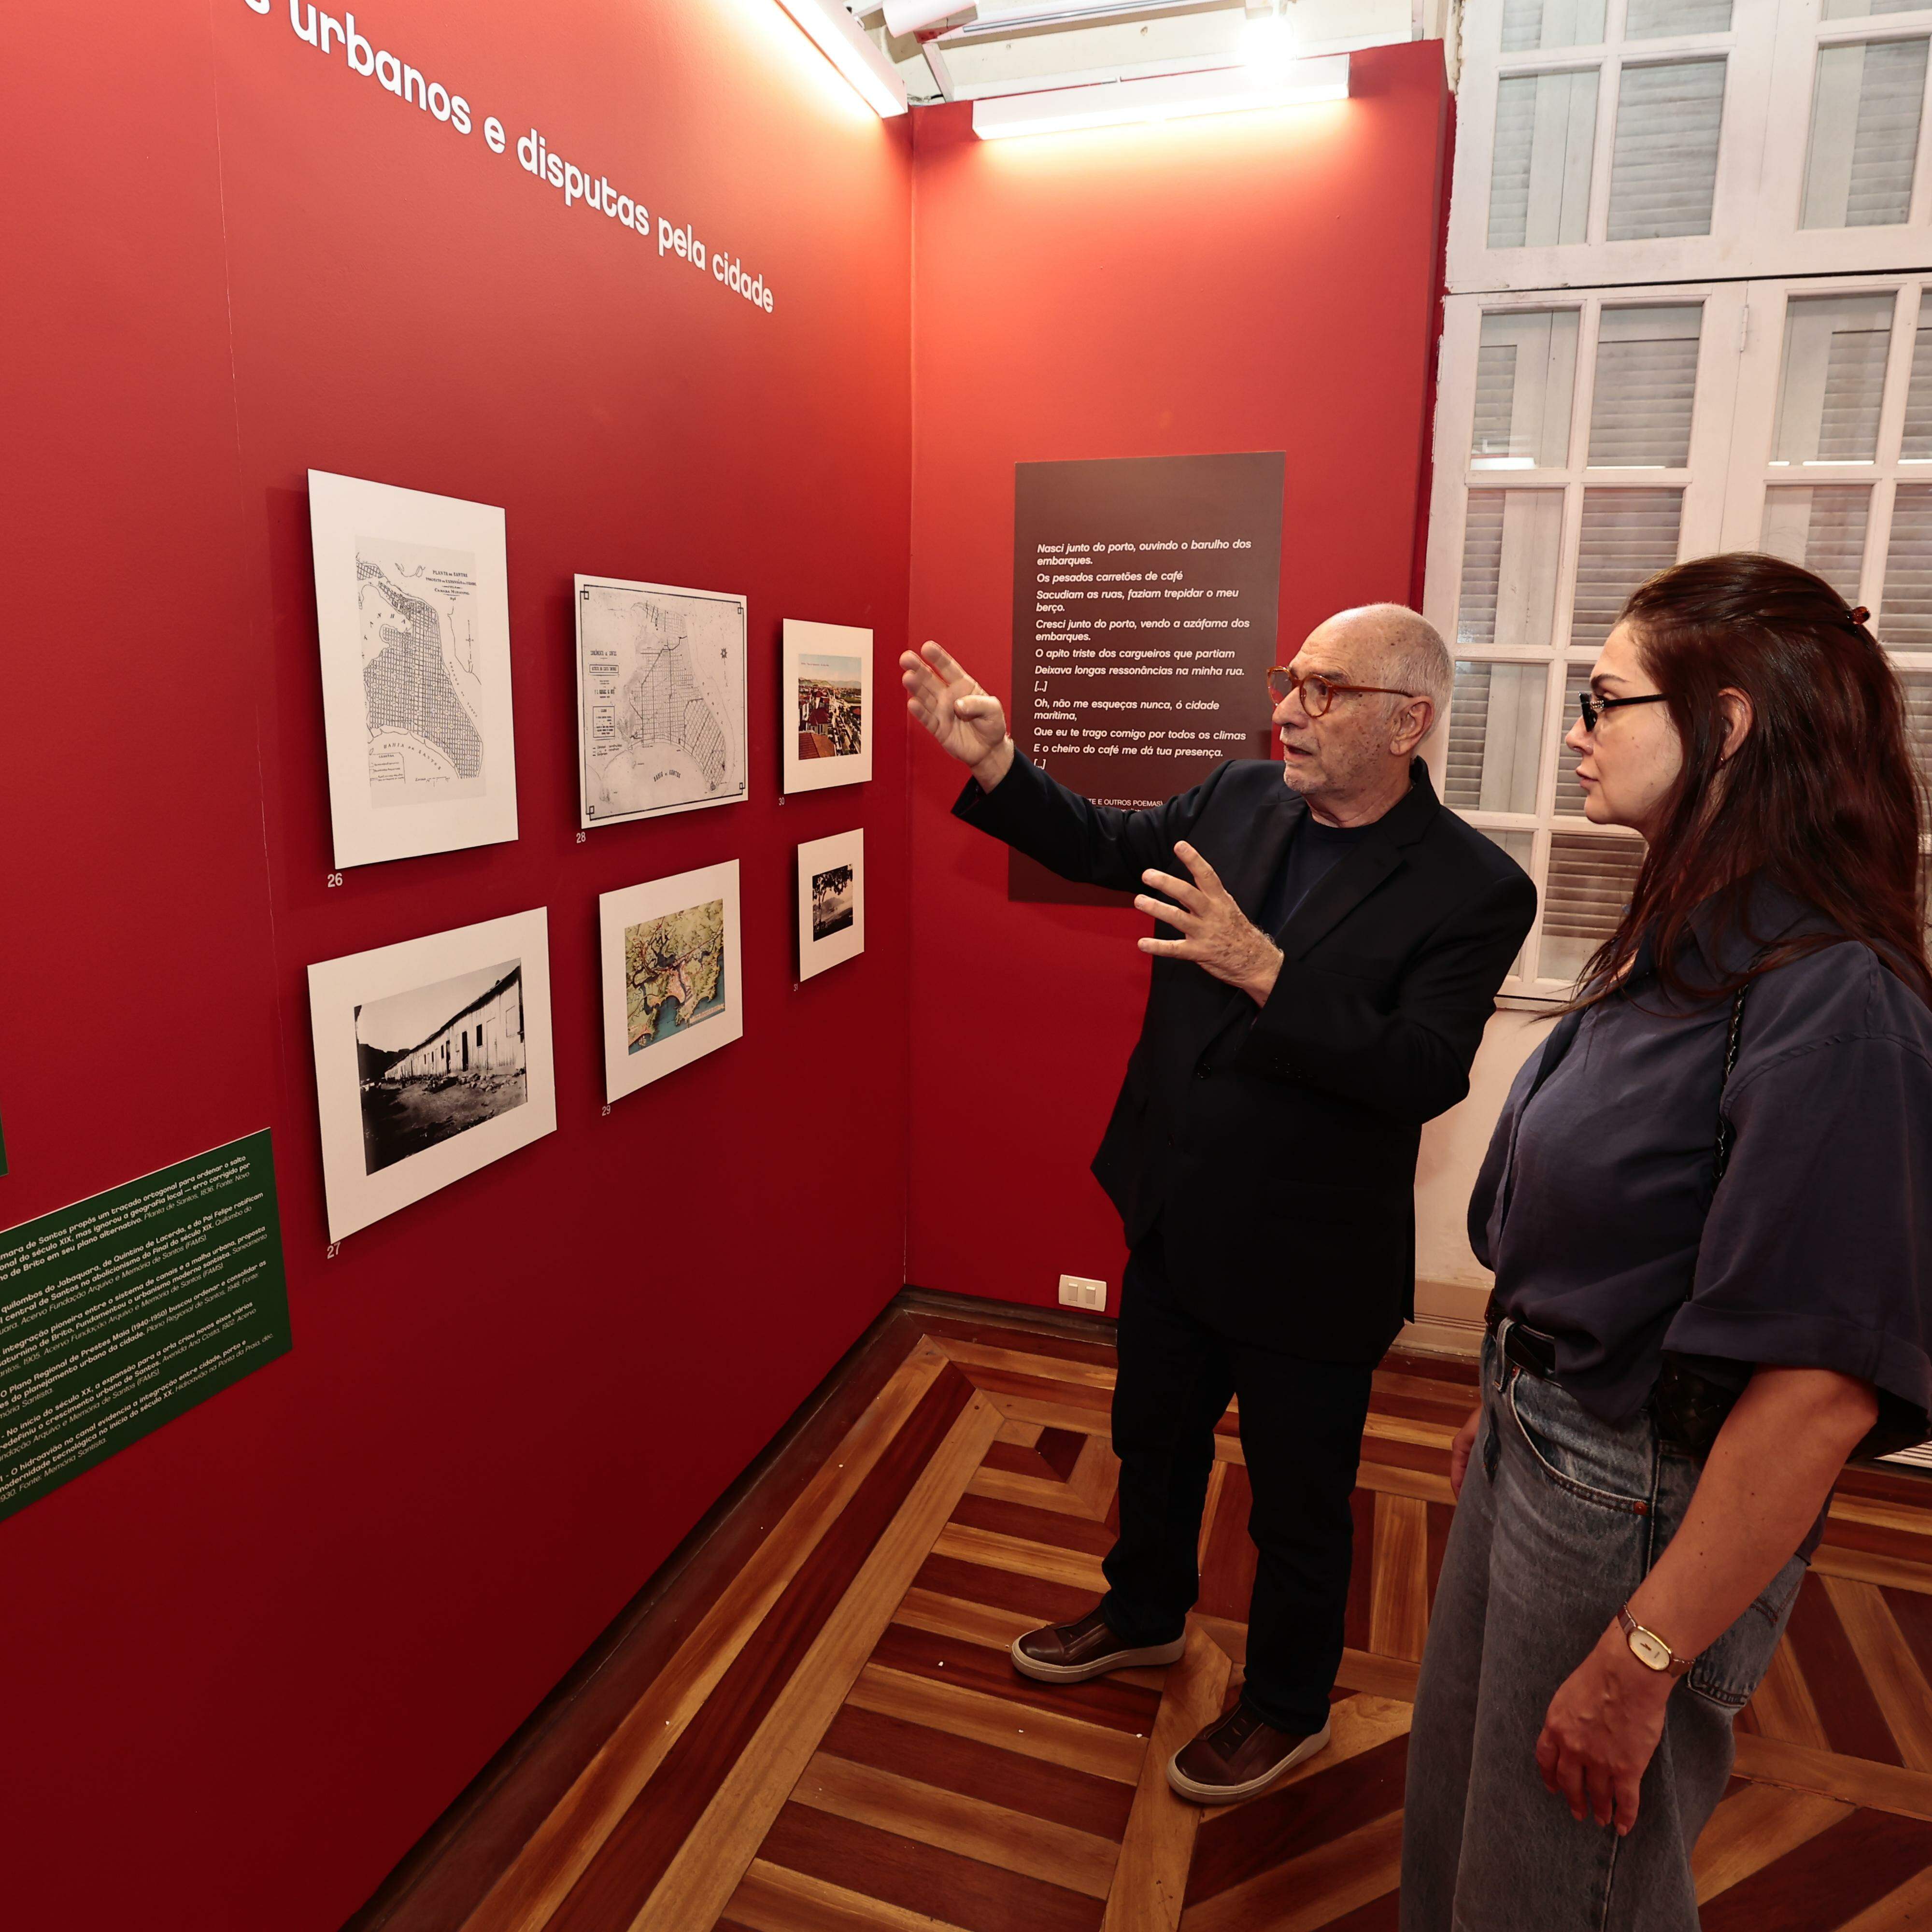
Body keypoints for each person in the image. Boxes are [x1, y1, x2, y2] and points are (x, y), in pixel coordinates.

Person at [901, 605, 1536, 1802]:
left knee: (1297, 1505)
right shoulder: (1239, 798)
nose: (1288, 708)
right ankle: (1143, 1609)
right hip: (1174, 1207)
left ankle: (1289, 1704)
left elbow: (1419, 1068)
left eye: (1323, 689)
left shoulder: (1474, 886)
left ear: (1408, 720)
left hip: (1309, 1254)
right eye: (1287, 680)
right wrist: (996, 761)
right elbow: (1098, 841)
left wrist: (1265, 970)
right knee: (1153, 1439)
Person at [1401, 553, 1932, 1932]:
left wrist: (1642, 1662)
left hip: (1634, 1508)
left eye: (1603, 699)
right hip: (1543, 1441)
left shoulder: (1836, 1001)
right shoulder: (1688, 934)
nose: (1575, 730)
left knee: (1557, 1887)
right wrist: (1505, 1404)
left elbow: (1820, 1390)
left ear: (1732, 726)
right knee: (1465, 1827)